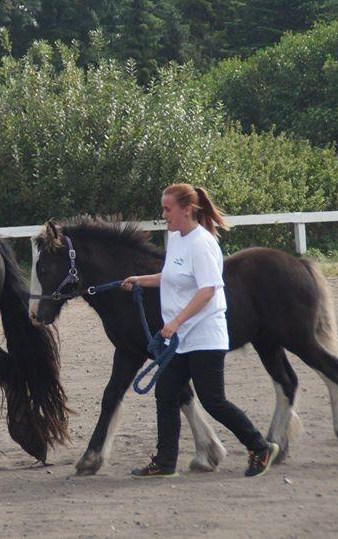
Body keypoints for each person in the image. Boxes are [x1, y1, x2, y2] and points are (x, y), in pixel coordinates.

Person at [121, 183, 279, 478]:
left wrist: (176, 321)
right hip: (181, 340)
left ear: (186, 210)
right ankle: (166, 462)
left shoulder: (202, 243)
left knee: (213, 400)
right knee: (166, 394)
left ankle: (260, 446)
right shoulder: (176, 239)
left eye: (168, 209)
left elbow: (208, 290)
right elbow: (172, 277)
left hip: (204, 335)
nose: (163, 214)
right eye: (163, 208)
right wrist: (140, 280)